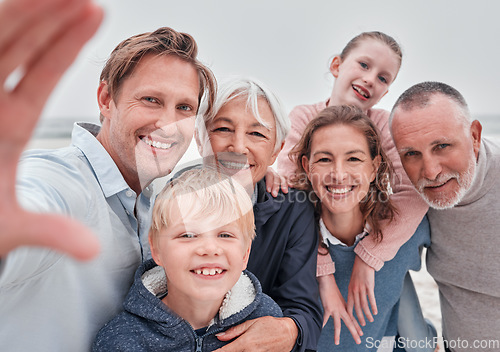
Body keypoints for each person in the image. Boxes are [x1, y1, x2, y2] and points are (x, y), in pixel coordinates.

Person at [0, 4, 217, 349]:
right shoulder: (63, 182)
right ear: (105, 99)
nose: (167, 123)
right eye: (150, 99)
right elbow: (28, 206)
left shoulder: (158, 203)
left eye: (184, 108)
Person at [275, 31, 430, 343]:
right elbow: (293, 195)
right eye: (363, 64)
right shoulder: (304, 117)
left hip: (365, 229)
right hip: (319, 238)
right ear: (336, 65)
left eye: (383, 78)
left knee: (408, 320)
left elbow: (412, 192)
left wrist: (368, 255)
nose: (371, 79)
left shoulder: (386, 125)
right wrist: (323, 270)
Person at [194, 77, 323, 352]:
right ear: (199, 137)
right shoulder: (170, 201)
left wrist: (288, 330)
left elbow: (305, 314)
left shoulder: (294, 209)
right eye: (223, 129)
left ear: (277, 149)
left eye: (257, 134)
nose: (238, 147)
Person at [290, 105, 432, 351]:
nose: (339, 174)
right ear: (306, 165)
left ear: (375, 167)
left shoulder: (406, 232)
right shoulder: (289, 240)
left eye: (354, 159)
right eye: (324, 159)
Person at [93, 167, 283, 351]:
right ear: (157, 250)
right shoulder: (121, 340)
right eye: (188, 235)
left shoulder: (266, 320)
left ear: (245, 254)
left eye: (225, 235)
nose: (209, 249)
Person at [390, 81, 500, 352]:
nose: (429, 171)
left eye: (441, 146)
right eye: (412, 154)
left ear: (474, 136)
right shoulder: (412, 196)